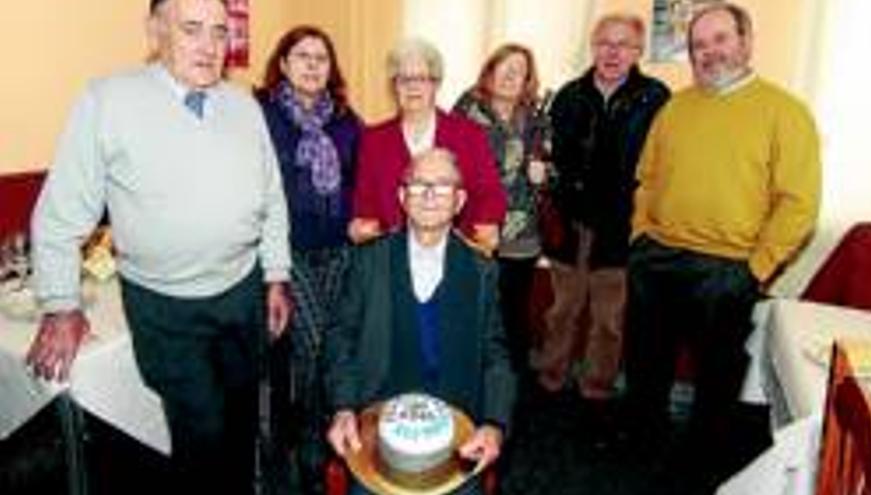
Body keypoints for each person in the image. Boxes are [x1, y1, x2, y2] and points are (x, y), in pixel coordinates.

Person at [25, 0, 292, 492]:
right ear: (154, 31)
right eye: (192, 29)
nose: (211, 46)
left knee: (239, 424)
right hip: (166, 308)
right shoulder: (108, 99)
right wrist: (62, 305)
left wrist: (276, 275)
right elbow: (60, 215)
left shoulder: (244, 105)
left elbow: (272, 196)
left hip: (242, 292)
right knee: (201, 436)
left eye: (220, 32)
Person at [625, 1, 820, 474]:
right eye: (698, 45)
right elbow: (646, 177)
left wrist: (753, 270)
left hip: (727, 268)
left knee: (716, 380)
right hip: (657, 259)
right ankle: (642, 442)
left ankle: (700, 464)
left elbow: (799, 204)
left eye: (720, 40)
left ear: (746, 41)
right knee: (647, 365)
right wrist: (640, 237)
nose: (709, 53)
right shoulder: (676, 106)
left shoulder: (785, 111)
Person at [325, 148, 516, 495]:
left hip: (458, 433)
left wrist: (495, 423)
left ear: (459, 201)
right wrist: (343, 407)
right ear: (402, 196)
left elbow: (496, 355)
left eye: (443, 185)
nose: (429, 195)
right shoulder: (368, 261)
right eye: (418, 185)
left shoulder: (482, 270)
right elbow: (341, 338)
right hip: (376, 427)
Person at [532, 14, 670, 402]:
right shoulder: (568, 95)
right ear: (593, 47)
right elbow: (552, 154)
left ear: (638, 51)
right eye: (605, 43)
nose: (612, 52)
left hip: (620, 226)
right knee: (562, 311)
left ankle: (597, 388)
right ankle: (550, 379)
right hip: (571, 224)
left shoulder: (656, 98)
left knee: (608, 320)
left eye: (623, 44)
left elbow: (663, 163)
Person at [255, 25, 361, 494]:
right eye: (302, 56)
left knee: (333, 344)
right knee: (314, 346)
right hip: (286, 252)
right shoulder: (259, 116)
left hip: (340, 251)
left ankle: (315, 436)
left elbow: (361, 180)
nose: (314, 65)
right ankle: (312, 446)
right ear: (283, 64)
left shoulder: (345, 120)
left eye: (322, 57)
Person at [349, 38, 507, 254]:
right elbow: (365, 202)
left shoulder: (469, 134)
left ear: (436, 84)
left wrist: (485, 228)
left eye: (422, 78)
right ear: (394, 86)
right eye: (404, 79)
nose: (413, 87)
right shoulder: (374, 139)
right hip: (393, 258)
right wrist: (363, 226)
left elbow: (490, 194)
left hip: (456, 255)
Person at [452, 44, 550, 377]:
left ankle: (510, 384)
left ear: (527, 79)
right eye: (503, 67)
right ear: (489, 72)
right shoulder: (465, 111)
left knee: (513, 314)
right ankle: (469, 379)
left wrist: (545, 173)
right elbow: (448, 166)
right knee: (473, 309)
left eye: (518, 70)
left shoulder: (537, 116)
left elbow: (553, 165)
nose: (510, 76)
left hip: (522, 235)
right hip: (475, 231)